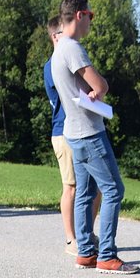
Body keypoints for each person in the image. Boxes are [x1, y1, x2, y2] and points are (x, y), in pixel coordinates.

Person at [51, 0, 138, 275]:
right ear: (79, 15)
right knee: (114, 190)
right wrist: (100, 88)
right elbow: (100, 86)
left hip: (73, 132)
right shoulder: (72, 48)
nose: (91, 20)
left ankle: (86, 252)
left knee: (86, 193)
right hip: (89, 133)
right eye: (90, 15)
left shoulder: (58, 49)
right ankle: (107, 256)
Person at [44, 16, 100, 257]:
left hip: (80, 128)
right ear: (55, 36)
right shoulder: (53, 64)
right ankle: (71, 239)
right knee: (71, 188)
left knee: (95, 188)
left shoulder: (67, 58)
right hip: (63, 131)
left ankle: (86, 233)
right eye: (63, 33)